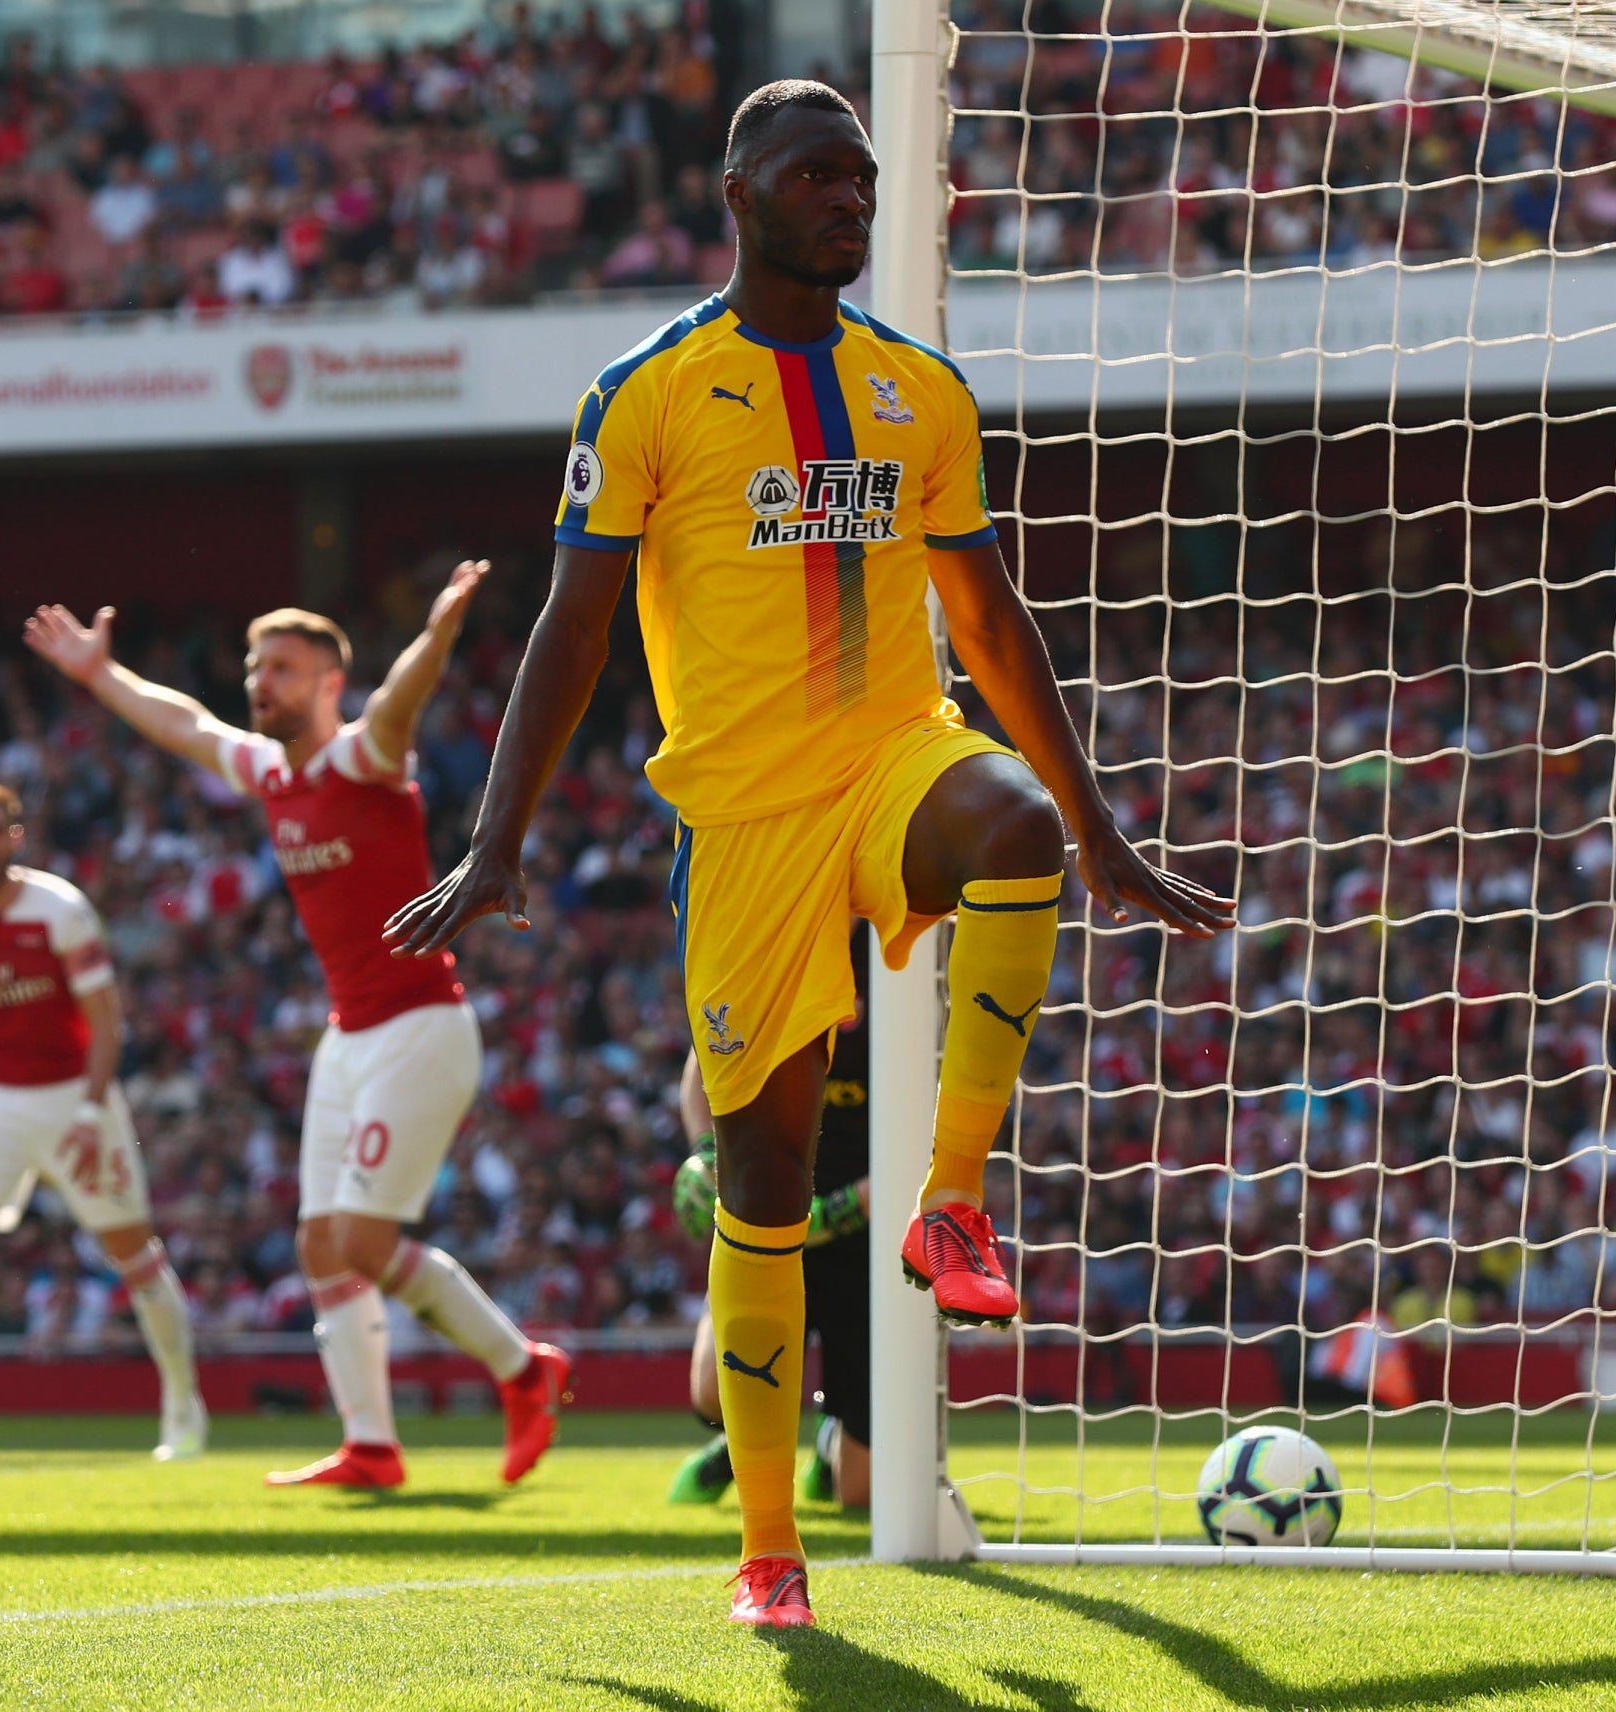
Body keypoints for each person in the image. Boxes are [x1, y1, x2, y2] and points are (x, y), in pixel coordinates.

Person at [384, 81, 1231, 1625]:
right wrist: (497, 835)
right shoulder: (647, 392)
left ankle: (951, 1199)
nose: (852, 199)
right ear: (738, 192)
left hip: (896, 753)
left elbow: (984, 612)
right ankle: (770, 1554)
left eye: (864, 176)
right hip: (745, 815)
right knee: (763, 1181)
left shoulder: (920, 389)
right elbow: (574, 627)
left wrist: (1101, 823)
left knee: (1018, 830)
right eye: (819, 176)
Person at [23, 565, 571, 1490]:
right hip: (349, 1035)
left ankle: (525, 1369)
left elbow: (398, 707)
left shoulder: (362, 759)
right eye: (253, 664)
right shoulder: (271, 770)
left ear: (326, 684)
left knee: (358, 1241)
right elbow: (186, 726)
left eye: (279, 667)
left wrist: (435, 635)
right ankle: (371, 1444)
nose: (257, 681)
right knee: (321, 1244)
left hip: (420, 1027)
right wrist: (98, 676)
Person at [0, 780, 207, 1462]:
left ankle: (184, 1410)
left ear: (16, 836)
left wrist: (90, 1111)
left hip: (72, 1096)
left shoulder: (61, 909)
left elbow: (106, 1022)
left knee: (133, 1254)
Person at [667, 927, 872, 1512]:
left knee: (861, 1497)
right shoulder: (771, 934)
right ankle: (735, 1445)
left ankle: (830, 1436)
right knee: (711, 1395)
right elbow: (702, 1063)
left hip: (865, 1227)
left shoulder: (903, 960)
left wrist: (834, 1213)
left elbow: (924, 1124)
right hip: (766, 1193)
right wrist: (706, 1154)